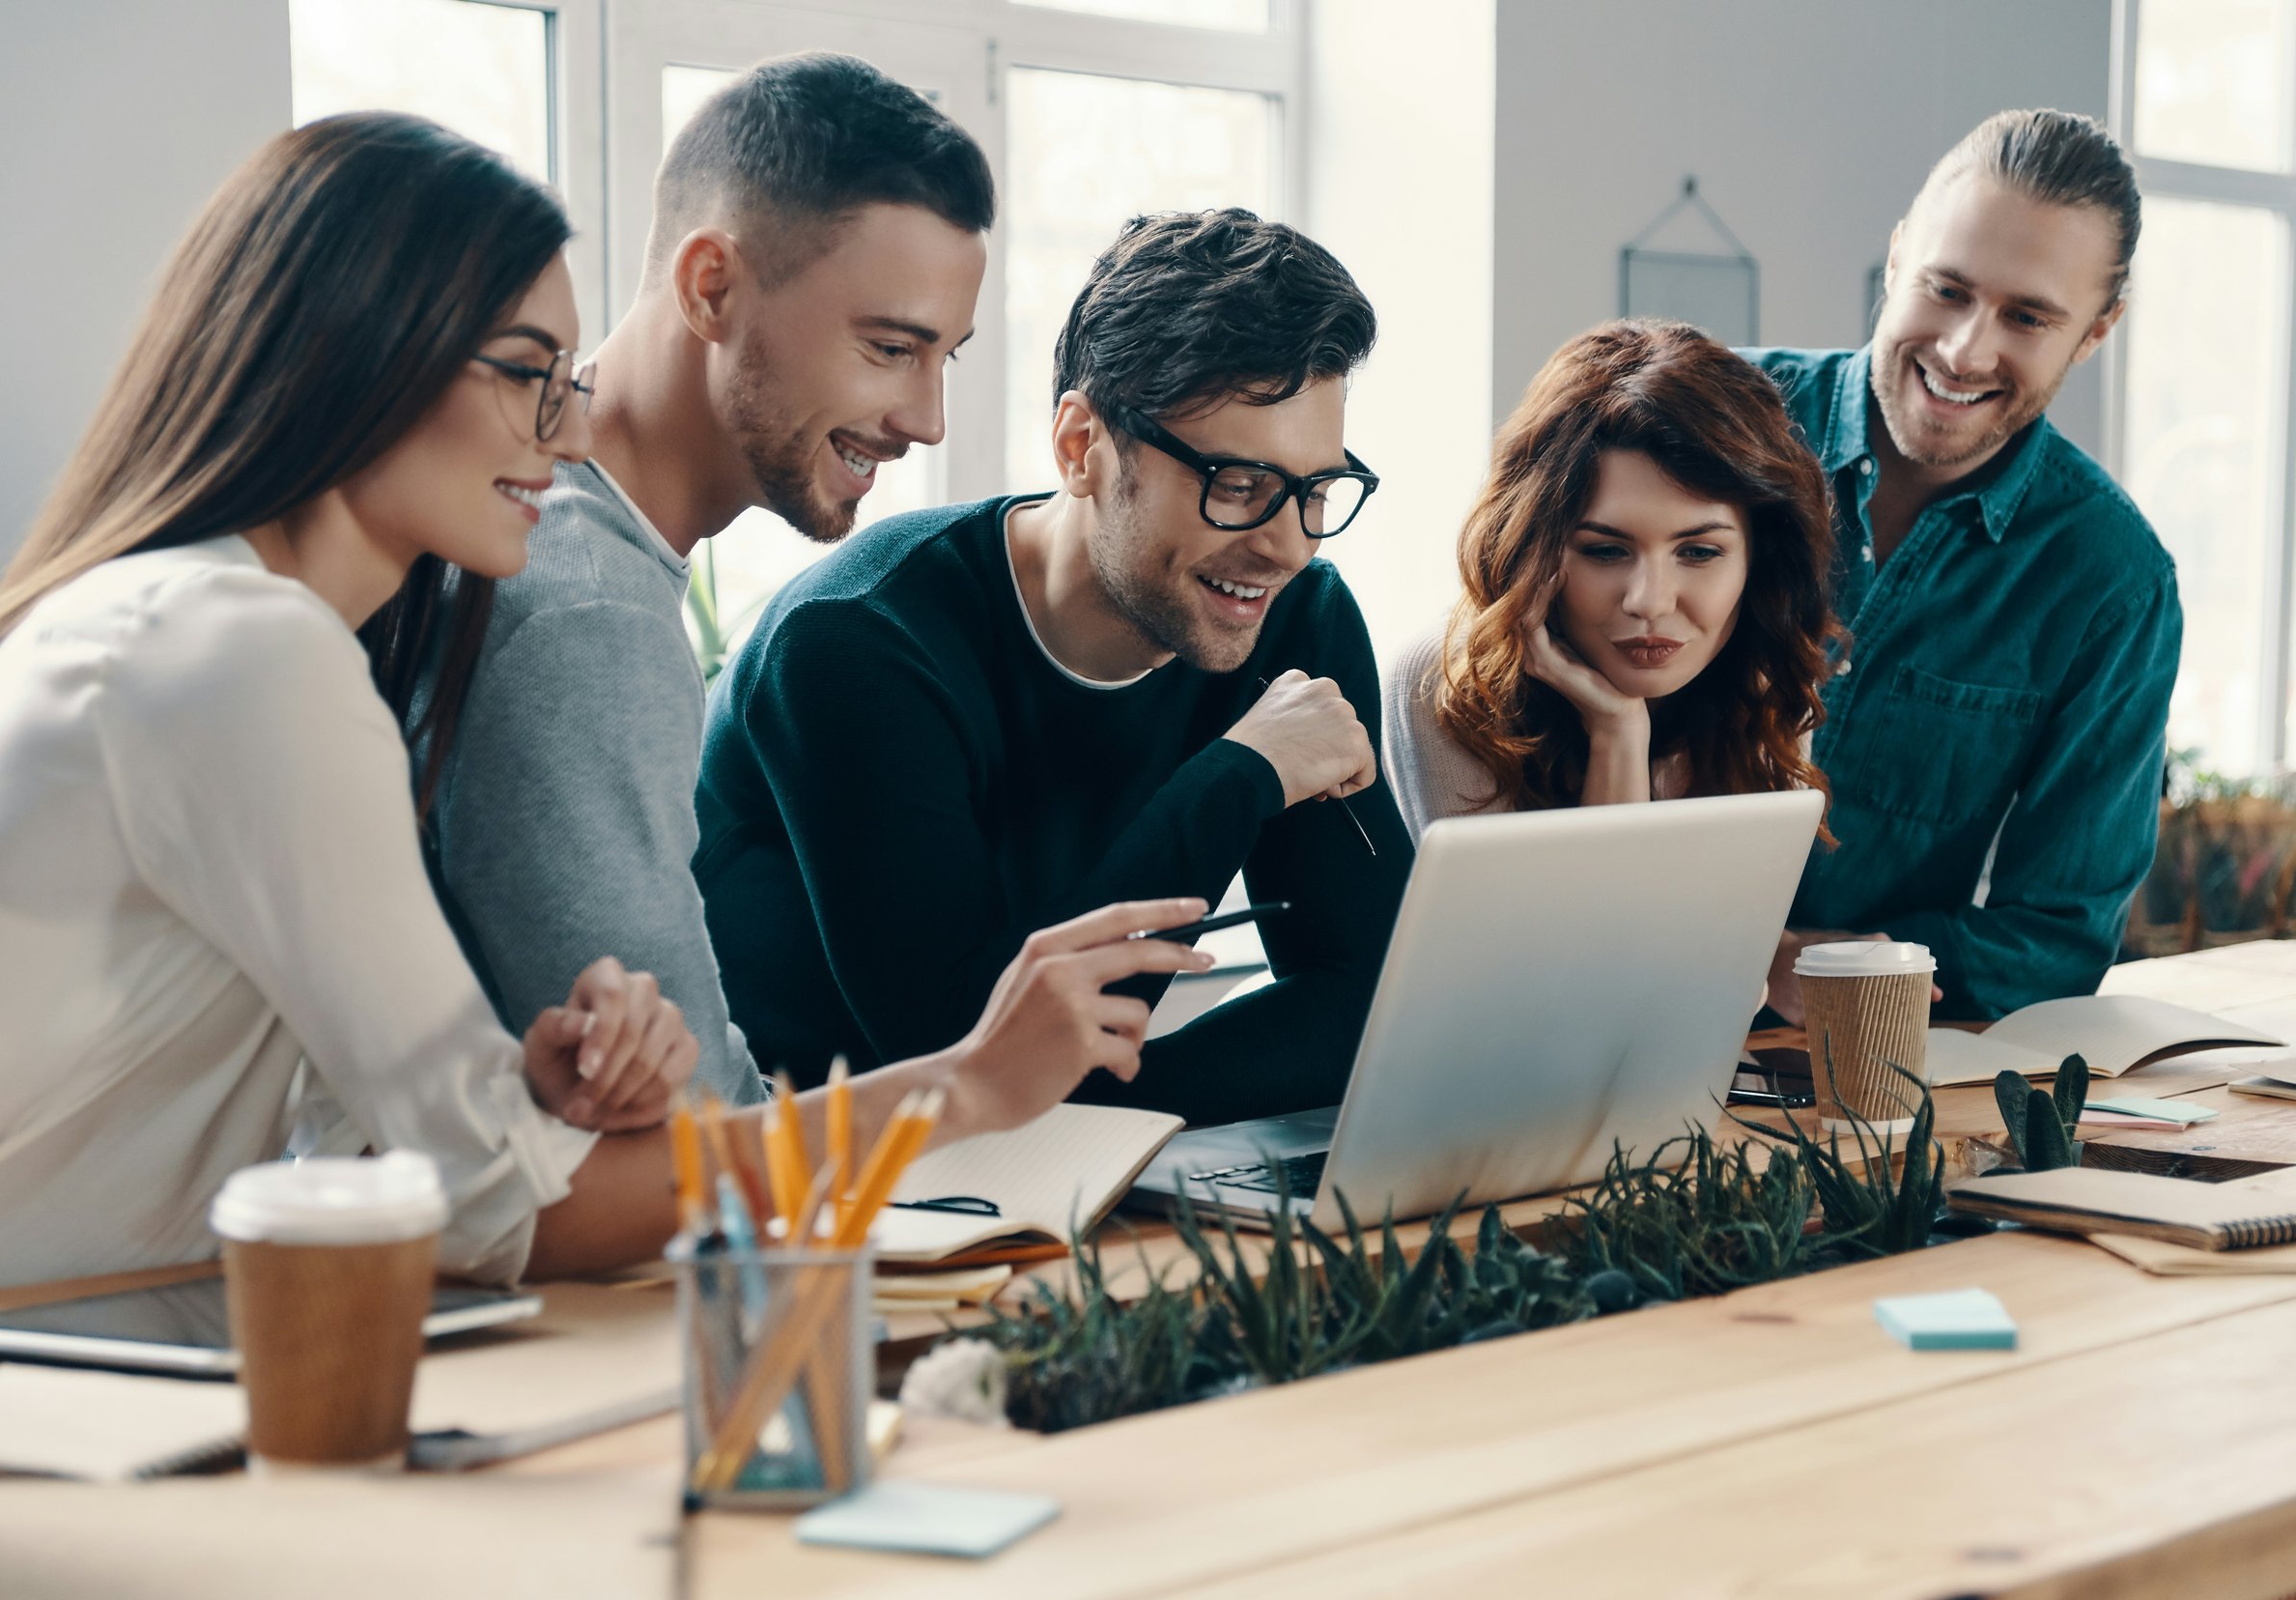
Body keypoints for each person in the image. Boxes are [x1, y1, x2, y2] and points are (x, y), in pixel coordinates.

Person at [0, 114, 1206, 1300]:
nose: (568, 433)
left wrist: (524, 1089)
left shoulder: (186, 622)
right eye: (531, 372)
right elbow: (505, 1211)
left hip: (60, 1356)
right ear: (364, 360)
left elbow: (274, 1124)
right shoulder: (243, 651)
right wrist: (962, 1084)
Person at [695, 208, 1415, 1128]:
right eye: (1238, 487)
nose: (1287, 545)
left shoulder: (1294, 620)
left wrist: (1095, 1111)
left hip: (1045, 1176)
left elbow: (1370, 1001)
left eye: (1317, 491)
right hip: (812, 1202)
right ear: (1082, 446)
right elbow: (959, 1049)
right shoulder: (856, 646)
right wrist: (1244, 775)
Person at [398, 53, 992, 1109]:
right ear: (709, 286)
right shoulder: (585, 609)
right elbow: (676, 1119)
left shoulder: (568, 542)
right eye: (891, 348)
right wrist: (977, 1092)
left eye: (944, 356)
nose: (926, 419)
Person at [1742, 109, 2180, 1024]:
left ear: (2097, 332)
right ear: (1898, 257)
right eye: (1946, 289)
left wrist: (1836, 967)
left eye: (2027, 316)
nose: (1964, 350)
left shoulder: (2114, 581)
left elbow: (2057, 936)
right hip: (1593, 1016)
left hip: (1858, 1061)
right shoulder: (1712, 424)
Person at [1384, 320, 1836, 840]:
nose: (1649, 601)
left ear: (1758, 558)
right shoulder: (1444, 684)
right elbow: (1597, 925)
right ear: (1534, 548)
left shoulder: (1767, 680)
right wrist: (1617, 733)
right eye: (1605, 551)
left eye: (1698, 551)